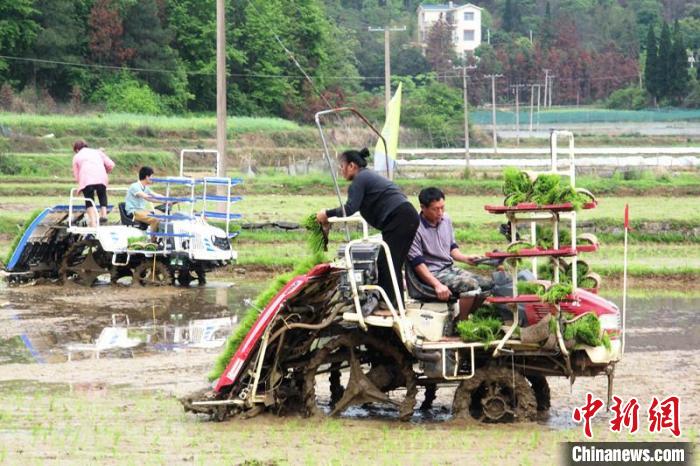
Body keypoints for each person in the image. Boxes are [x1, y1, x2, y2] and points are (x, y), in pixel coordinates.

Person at [316, 148, 419, 312]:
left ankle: (391, 305)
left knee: (387, 263)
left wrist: (326, 214)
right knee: (391, 263)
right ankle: (394, 304)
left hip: (399, 218)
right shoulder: (367, 177)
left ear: (352, 165)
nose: (341, 171)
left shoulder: (360, 179)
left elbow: (350, 209)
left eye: (341, 166)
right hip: (405, 217)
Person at [408, 187, 491, 301]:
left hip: (450, 268)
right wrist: (437, 285)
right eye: (435, 209)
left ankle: (473, 313)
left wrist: (465, 258)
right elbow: (418, 264)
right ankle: (461, 318)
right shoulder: (414, 228)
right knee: (470, 284)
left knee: (486, 283)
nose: (440, 213)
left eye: (442, 207)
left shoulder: (446, 219)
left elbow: (451, 247)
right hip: (433, 273)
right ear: (423, 207)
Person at [72, 140, 115, 227]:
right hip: (101, 177)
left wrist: (80, 185)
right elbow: (111, 165)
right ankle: (104, 215)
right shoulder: (98, 152)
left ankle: (93, 222)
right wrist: (105, 171)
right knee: (102, 194)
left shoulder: (77, 156)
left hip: (86, 179)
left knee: (89, 200)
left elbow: (76, 174)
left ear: (76, 149)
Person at [125, 166, 163, 236]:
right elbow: (147, 197)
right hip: (134, 212)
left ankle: (159, 238)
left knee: (162, 218)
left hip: (142, 211)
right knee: (155, 220)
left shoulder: (145, 188)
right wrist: (163, 201)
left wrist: (168, 199)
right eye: (152, 176)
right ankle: (153, 241)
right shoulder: (134, 186)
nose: (153, 178)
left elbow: (155, 195)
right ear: (147, 177)